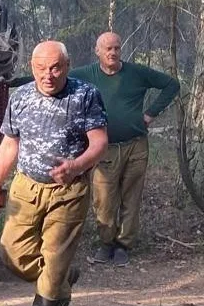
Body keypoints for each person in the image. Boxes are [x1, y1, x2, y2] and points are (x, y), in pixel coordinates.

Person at [0, 40, 108, 306]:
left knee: (55, 255)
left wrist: (75, 166)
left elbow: (100, 143)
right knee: (11, 252)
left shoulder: (85, 95)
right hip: (26, 187)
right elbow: (10, 143)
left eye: (55, 68)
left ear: (66, 66)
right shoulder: (21, 97)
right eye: (41, 68)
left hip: (69, 190)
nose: (48, 75)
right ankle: (61, 280)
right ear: (32, 67)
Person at [71, 32, 179, 266]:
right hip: (104, 150)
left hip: (135, 146)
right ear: (97, 51)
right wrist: (10, 82)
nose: (113, 53)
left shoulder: (136, 73)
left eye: (116, 48)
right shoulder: (87, 74)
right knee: (103, 200)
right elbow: (52, 76)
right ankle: (106, 243)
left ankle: (123, 246)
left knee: (131, 197)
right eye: (108, 48)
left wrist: (150, 114)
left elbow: (171, 85)